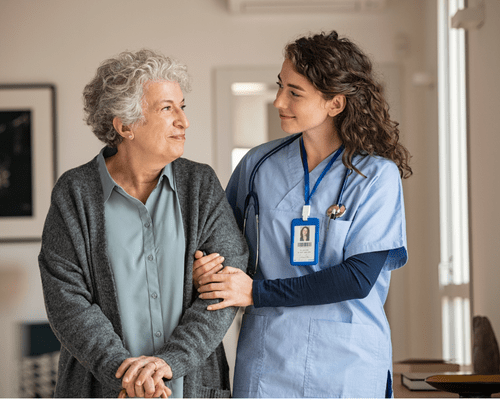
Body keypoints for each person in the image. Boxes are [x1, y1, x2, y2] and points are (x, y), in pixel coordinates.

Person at [194, 31, 411, 398]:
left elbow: (358, 278)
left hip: (347, 363)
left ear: (335, 104)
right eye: (280, 87)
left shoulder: (375, 176)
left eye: (295, 93)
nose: (278, 100)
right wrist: (208, 268)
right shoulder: (257, 165)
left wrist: (256, 292)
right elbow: (222, 244)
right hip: (269, 358)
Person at [38, 49, 248, 398]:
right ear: (124, 125)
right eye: (167, 108)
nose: (184, 121)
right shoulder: (74, 193)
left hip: (192, 388)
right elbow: (67, 301)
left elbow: (226, 286)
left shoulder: (200, 184)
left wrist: (170, 363)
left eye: (182, 106)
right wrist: (126, 374)